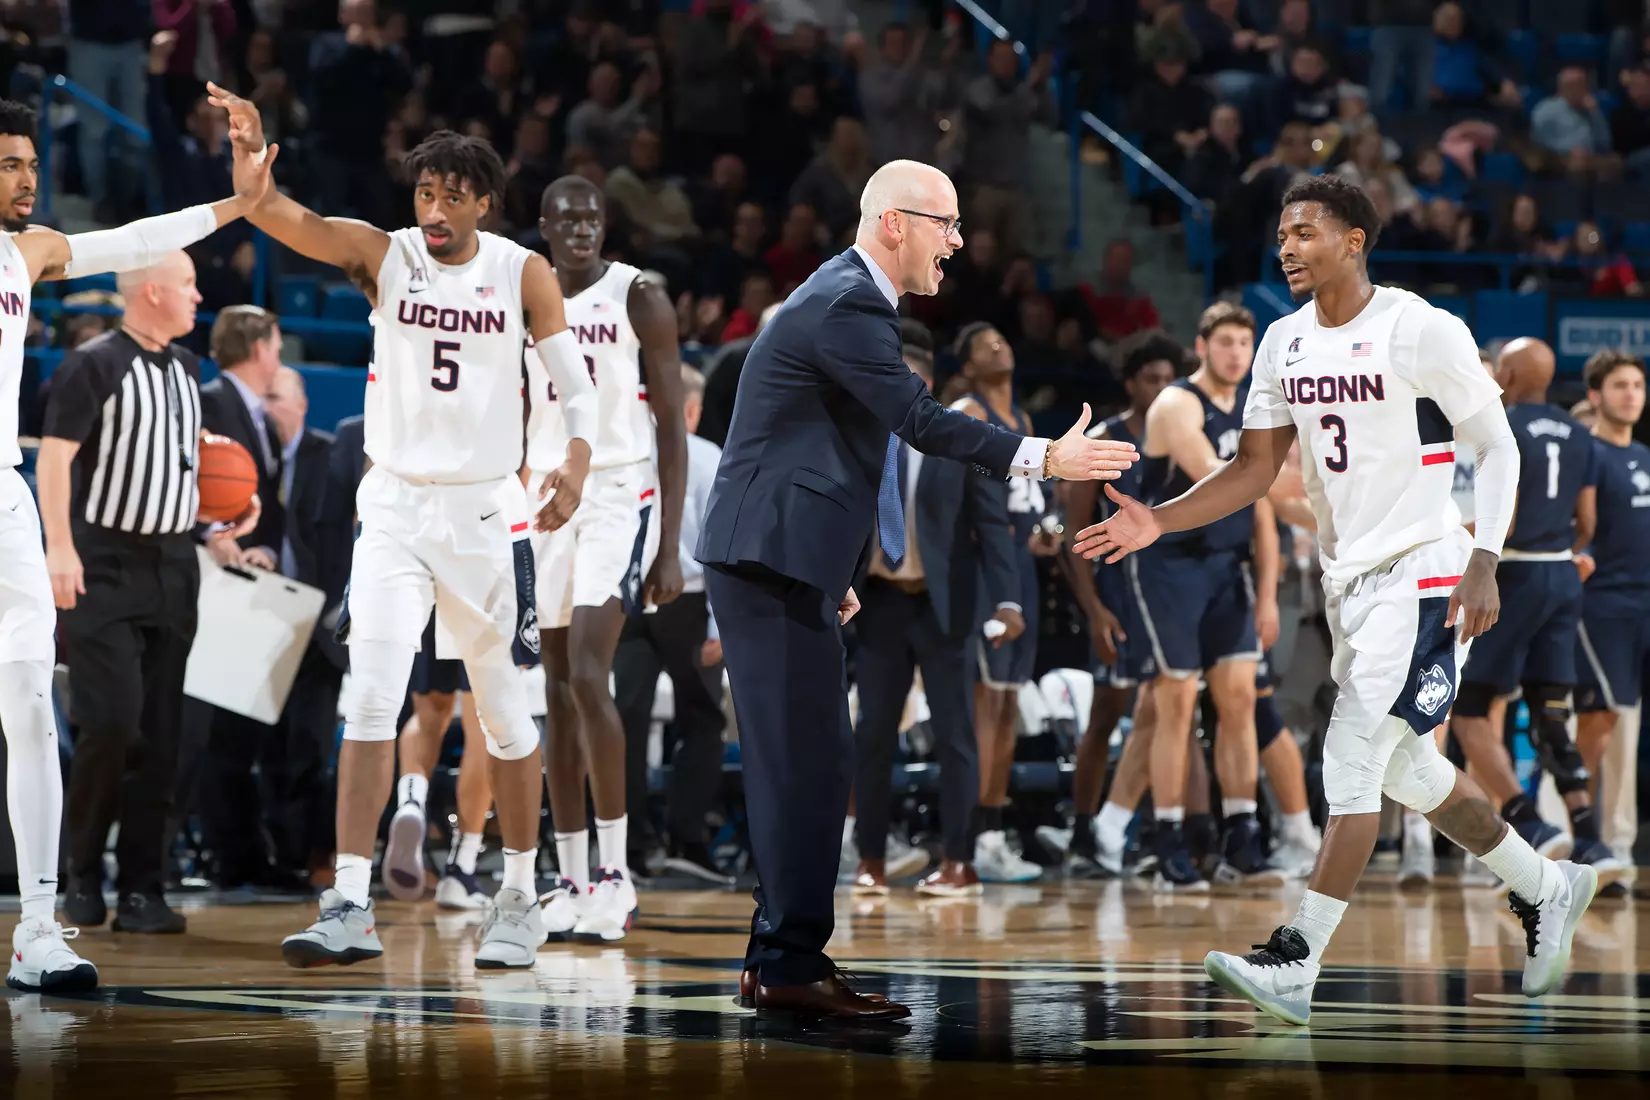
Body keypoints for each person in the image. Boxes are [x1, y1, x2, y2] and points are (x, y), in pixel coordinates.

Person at [1077, 174, 1599, 1026]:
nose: (1287, 246)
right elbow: (1250, 471)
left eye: (1306, 231)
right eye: (1282, 235)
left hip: (1430, 572)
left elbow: (1496, 448)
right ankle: (1546, 885)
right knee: (1407, 769)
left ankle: (1298, 957)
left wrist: (1484, 561)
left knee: (1350, 752)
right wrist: (1158, 523)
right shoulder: (1283, 343)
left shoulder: (1420, 327)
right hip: (1350, 580)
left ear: (1354, 241)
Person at [699, 158, 1136, 1020]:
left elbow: (824, 447)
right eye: (947, 224)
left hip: (787, 559)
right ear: (893, 222)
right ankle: (788, 963)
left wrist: (841, 569)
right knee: (805, 767)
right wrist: (1044, 456)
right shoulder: (846, 301)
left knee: (812, 764)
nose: (959, 243)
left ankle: (774, 958)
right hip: (766, 557)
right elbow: (919, 422)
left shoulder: (841, 300)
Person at [209, 84, 600, 970]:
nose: (435, 209)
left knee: (504, 715)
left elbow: (576, 389)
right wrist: (250, 168)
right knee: (372, 694)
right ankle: (348, 899)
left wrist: (574, 461)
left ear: (482, 203)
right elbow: (286, 217)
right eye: (425, 193)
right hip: (392, 505)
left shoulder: (520, 271)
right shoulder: (384, 257)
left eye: (453, 195)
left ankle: (517, 893)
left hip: (486, 509)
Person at [0, 93, 263, 983]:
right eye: (8, 164)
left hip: (8, 498)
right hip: (96, 549)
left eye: (31, 164)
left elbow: (136, 239)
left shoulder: (29, 252)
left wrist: (237, 203)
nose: (26, 180)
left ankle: (40, 924)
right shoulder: (90, 363)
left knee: (34, 707)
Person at [531, 175, 687, 944]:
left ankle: (618, 874)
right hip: (543, 496)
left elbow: (671, 430)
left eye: (593, 216)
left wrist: (670, 546)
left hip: (620, 494)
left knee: (591, 675)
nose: (582, 227)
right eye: (568, 218)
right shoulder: (524, 294)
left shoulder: (639, 297)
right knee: (556, 689)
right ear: (545, 227)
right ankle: (568, 877)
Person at [850, 319, 1021, 898]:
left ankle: (959, 862)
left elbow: (992, 525)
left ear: (923, 382)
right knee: (872, 735)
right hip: (878, 603)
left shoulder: (956, 435)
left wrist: (1008, 597)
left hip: (944, 604)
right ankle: (870, 860)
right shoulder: (860, 435)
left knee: (955, 737)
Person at [1450, 338, 1625, 884]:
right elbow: (1589, 522)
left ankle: (1529, 823)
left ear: (1505, 372)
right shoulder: (1581, 432)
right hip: (1562, 574)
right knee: (1551, 711)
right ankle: (1589, 836)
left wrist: (1451, 538)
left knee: (1471, 707)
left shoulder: (1501, 425)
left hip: (1514, 571)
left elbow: (1507, 509)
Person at [1124, 302, 1281, 891]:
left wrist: (1267, 595)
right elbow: (1220, 475)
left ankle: (1241, 835)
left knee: (1239, 700)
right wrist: (1294, 485)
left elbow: (1263, 510)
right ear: (1203, 345)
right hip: (1168, 566)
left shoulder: (1256, 407)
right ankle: (1169, 839)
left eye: (1245, 342)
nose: (1237, 352)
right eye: (1226, 342)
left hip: (1225, 567)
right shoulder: (1177, 403)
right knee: (1178, 704)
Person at [1044, 334, 1179, 876]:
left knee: (1167, 717)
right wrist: (1095, 609)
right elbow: (1074, 535)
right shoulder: (1105, 439)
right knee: (1107, 716)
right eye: (1151, 378)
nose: (1162, 387)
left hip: (1167, 590)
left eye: (1170, 378)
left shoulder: (1180, 434)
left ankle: (1137, 831)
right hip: (1117, 592)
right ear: (1131, 382)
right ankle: (1082, 829)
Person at [196, 304, 304, 890]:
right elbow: (196, 480)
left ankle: (246, 851)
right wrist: (215, 534)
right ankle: (229, 854)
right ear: (260, 346)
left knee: (247, 729)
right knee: (221, 729)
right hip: (216, 586)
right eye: (278, 344)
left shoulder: (257, 415)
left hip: (255, 589)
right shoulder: (213, 400)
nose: (280, 355)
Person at [613, 364, 734, 886]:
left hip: (626, 600)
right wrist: (718, 623)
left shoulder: (622, 455)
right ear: (692, 408)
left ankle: (628, 848)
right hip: (687, 598)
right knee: (702, 720)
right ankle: (687, 839)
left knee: (625, 720)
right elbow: (722, 546)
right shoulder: (708, 457)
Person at [950, 322, 1051, 884]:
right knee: (985, 705)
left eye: (1002, 338)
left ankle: (991, 830)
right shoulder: (967, 409)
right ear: (966, 367)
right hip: (989, 576)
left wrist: (1047, 530)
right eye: (984, 344)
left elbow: (1031, 502)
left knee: (1008, 706)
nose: (999, 344)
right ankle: (969, 838)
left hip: (1022, 570)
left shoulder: (1025, 422)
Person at [1572, 349, 1649, 898]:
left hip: (1642, 606)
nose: (1631, 395)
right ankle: (1583, 845)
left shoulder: (1644, 455)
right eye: (1620, 385)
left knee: (1628, 725)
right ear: (1595, 395)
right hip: (1601, 606)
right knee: (1603, 724)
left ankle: (1617, 843)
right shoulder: (1584, 454)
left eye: (1638, 386)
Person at [261, 365, 343, 887]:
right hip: (260, 618)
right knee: (261, 747)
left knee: (311, 745)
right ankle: (272, 856)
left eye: (276, 396)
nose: (267, 407)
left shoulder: (330, 453)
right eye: (262, 397)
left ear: (301, 404)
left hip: (317, 626)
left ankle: (319, 856)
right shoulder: (250, 456)